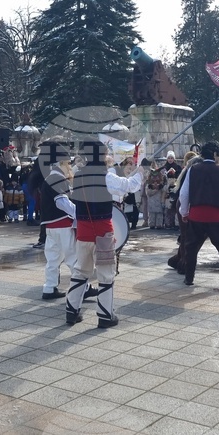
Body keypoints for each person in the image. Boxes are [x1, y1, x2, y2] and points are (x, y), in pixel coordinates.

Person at [65, 140, 143, 328]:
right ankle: (105, 316)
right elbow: (129, 186)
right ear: (101, 156)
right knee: (106, 275)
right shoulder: (106, 176)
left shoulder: (77, 174)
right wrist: (140, 172)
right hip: (103, 231)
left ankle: (71, 311)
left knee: (80, 271)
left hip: (83, 231)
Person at [179, 141, 219, 289]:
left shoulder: (193, 169)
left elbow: (184, 193)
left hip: (196, 214)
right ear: (214, 154)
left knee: (191, 248)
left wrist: (184, 212)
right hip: (215, 215)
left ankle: (189, 278)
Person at [37, 141, 78, 300]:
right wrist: (78, 214)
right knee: (73, 257)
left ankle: (49, 288)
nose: (69, 167)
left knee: (53, 259)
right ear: (60, 164)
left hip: (51, 226)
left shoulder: (51, 177)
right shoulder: (57, 178)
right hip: (62, 224)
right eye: (68, 164)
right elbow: (61, 202)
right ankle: (83, 286)